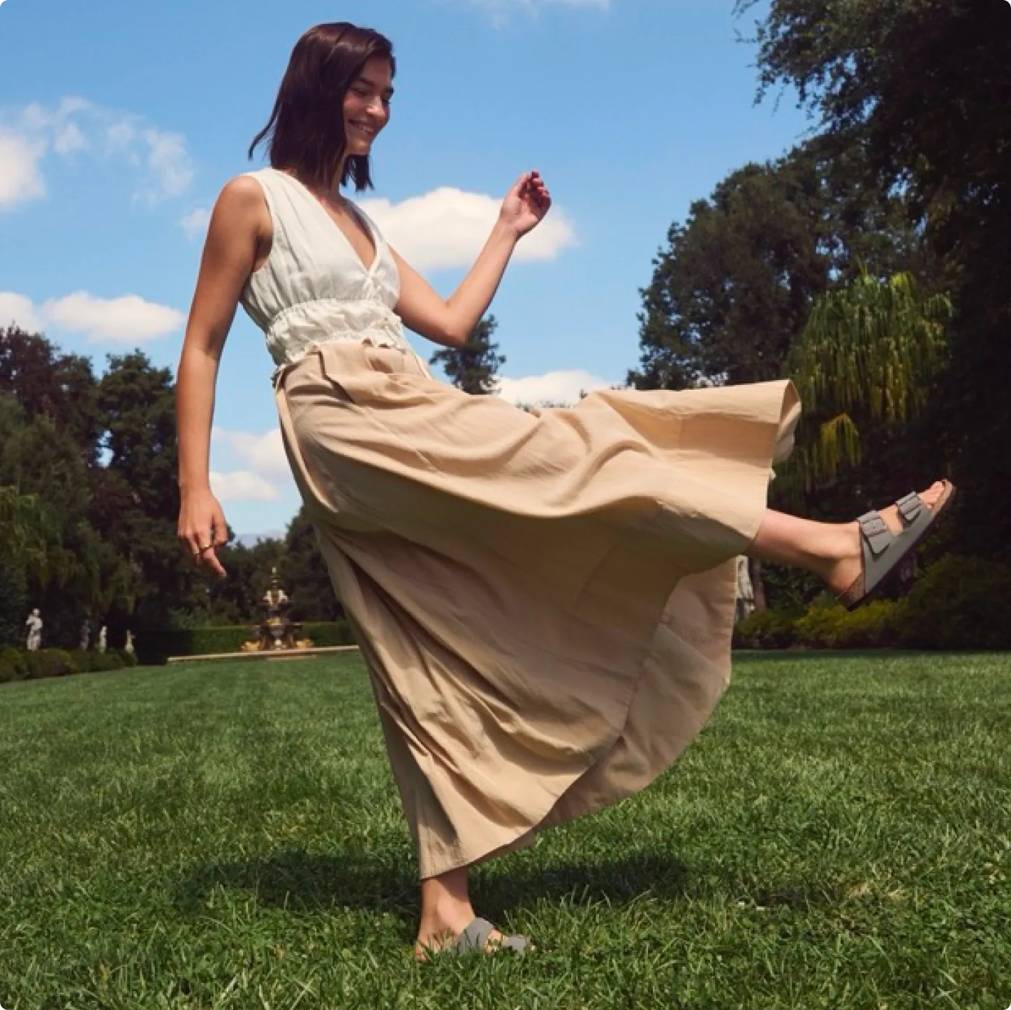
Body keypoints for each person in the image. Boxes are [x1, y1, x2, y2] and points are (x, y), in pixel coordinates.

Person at [174, 22, 954, 959]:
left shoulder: (363, 229)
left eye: (388, 94)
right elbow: (203, 343)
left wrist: (504, 232)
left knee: (423, 649)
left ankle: (444, 914)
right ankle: (829, 547)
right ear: (317, 86)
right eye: (364, 91)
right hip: (342, 413)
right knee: (585, 451)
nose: (378, 110)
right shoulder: (251, 198)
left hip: (404, 393)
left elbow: (454, 325)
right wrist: (195, 484)